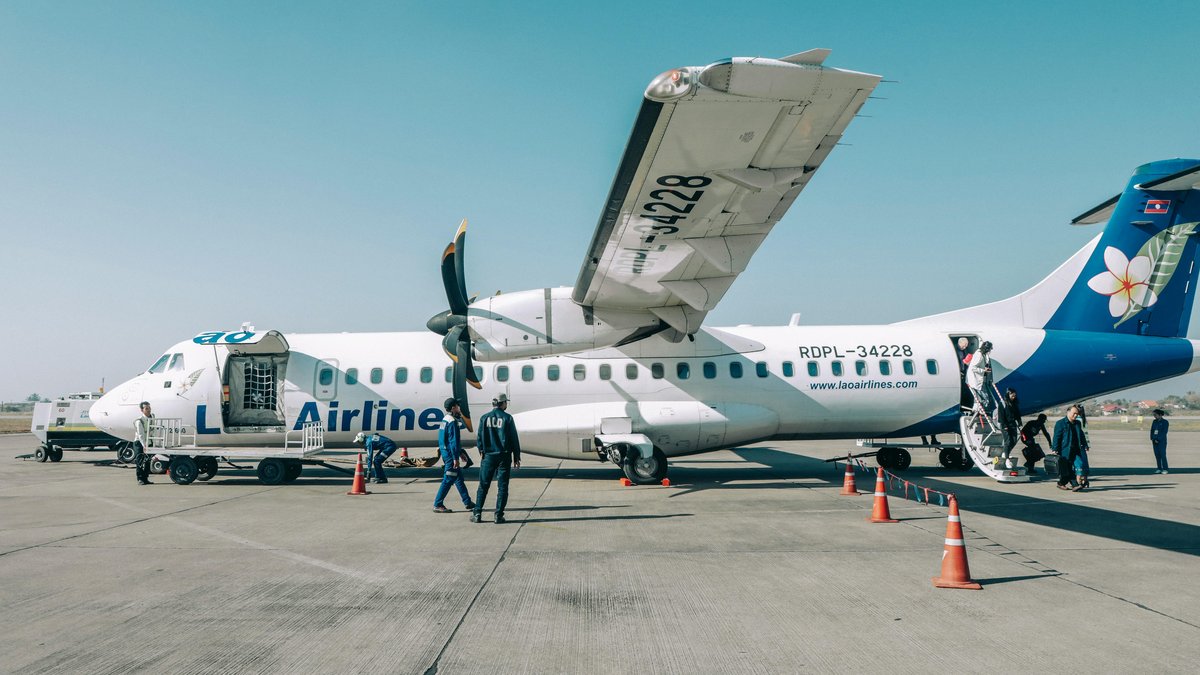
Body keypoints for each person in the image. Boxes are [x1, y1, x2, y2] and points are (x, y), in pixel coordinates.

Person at [471, 394, 522, 524]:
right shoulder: (508, 418)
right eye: (506, 403)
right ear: (502, 403)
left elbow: (479, 438)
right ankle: (498, 515)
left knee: (483, 485)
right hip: (504, 456)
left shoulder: (484, 418)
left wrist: (481, 450)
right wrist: (516, 456)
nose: (506, 405)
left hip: (488, 456)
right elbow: (513, 439)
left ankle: (477, 513)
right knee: (503, 487)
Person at [433, 398, 476, 513]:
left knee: (458, 479)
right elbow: (453, 441)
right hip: (450, 456)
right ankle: (438, 504)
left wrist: (460, 452)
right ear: (453, 408)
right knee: (448, 480)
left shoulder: (445, 420)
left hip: (447, 453)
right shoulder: (452, 422)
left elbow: (446, 440)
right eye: (457, 406)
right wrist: (456, 457)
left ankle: (467, 502)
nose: (459, 409)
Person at [1052, 404, 1087, 491]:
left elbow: (1081, 434)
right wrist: (1055, 449)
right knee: (1068, 468)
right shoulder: (1060, 423)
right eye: (1074, 413)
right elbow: (1056, 437)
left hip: (1076, 450)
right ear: (1068, 412)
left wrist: (1085, 444)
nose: (1075, 416)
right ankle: (1075, 485)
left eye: (1077, 414)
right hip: (1065, 450)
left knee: (1072, 467)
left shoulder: (1077, 423)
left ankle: (1061, 483)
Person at [965, 340, 994, 418]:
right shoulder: (979, 355)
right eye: (990, 349)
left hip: (976, 379)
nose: (990, 351)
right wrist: (984, 370)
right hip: (975, 380)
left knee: (977, 399)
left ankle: (975, 412)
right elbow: (973, 368)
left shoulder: (981, 353)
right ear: (987, 349)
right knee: (985, 399)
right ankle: (981, 413)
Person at [994, 388, 1022, 467]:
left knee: (1014, 440)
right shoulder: (1002, 403)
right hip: (1005, 425)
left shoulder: (1014, 403)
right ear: (1008, 395)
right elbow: (1001, 415)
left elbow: (1017, 414)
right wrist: (1004, 426)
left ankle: (1005, 453)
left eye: (1015, 396)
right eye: (1012, 396)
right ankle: (1007, 460)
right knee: (1008, 441)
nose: (1014, 397)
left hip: (1013, 424)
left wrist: (1019, 422)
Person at [132, 401, 155, 485]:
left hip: (148, 442)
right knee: (140, 461)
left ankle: (145, 478)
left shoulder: (152, 418)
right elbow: (141, 435)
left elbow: (153, 431)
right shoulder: (139, 421)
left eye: (149, 408)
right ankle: (140, 479)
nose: (149, 410)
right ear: (142, 410)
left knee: (148, 461)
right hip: (140, 443)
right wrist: (144, 446)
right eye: (146, 408)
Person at [1074, 403, 1092, 488]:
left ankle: (1078, 482)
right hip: (1083, 444)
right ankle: (1085, 480)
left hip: (1078, 444)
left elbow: (1080, 434)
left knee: (1078, 463)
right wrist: (1087, 444)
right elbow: (1085, 434)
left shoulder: (1076, 420)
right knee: (1084, 462)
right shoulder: (1083, 419)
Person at [1151, 408, 1170, 474]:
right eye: (1154, 415)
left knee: (1162, 455)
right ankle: (1159, 468)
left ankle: (1165, 469)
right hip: (1154, 441)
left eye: (1155, 415)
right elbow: (1152, 430)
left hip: (1161, 441)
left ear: (1160, 415)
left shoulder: (1165, 422)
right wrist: (1153, 438)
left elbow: (1164, 432)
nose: (1154, 416)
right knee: (1157, 455)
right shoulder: (1154, 421)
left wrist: (1158, 439)